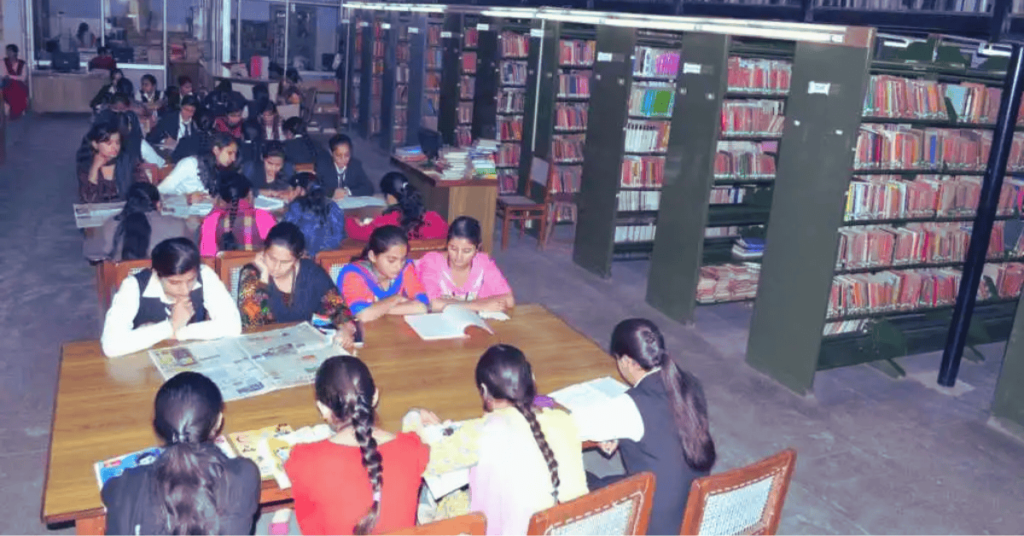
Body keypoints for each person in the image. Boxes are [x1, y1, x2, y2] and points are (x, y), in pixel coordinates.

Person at [413, 345, 589, 535]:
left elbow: (423, 460)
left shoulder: (483, 431)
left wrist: (413, 417)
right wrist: (538, 400)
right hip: (567, 527)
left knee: (438, 499)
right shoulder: (563, 420)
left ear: (484, 391)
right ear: (532, 378)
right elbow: (549, 402)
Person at [572, 319, 716, 536]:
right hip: (690, 506)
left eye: (618, 359)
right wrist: (618, 433)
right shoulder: (690, 384)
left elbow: (572, 427)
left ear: (629, 361)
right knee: (606, 481)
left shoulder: (630, 405)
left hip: (653, 522)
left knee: (575, 480)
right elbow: (666, 427)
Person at [101, 371, 260, 534]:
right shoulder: (244, 474)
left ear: (156, 426)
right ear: (219, 422)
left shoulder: (129, 485)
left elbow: (108, 492)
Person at [285, 356, 429, 535]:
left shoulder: (304, 459)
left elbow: (308, 524)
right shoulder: (411, 448)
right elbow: (422, 444)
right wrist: (414, 415)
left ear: (323, 408)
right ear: (375, 396)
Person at [101, 238, 242, 357]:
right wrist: (170, 326)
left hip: (192, 357)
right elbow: (110, 345)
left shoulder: (205, 274)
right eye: (175, 283)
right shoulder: (133, 286)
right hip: (144, 362)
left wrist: (176, 331)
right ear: (156, 274)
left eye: (190, 280)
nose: (185, 289)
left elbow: (233, 326)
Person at [237, 222, 356, 348]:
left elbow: (338, 309)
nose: (276, 267)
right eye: (271, 258)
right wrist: (263, 281)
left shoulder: (312, 273)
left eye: (285, 262)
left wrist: (345, 329)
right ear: (263, 251)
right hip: (263, 348)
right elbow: (252, 327)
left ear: (298, 258)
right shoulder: (251, 274)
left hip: (302, 346)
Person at [416, 216, 514, 313]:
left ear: (477, 248)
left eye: (466, 251)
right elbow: (433, 304)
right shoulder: (432, 262)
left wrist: (452, 304)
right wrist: (479, 305)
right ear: (447, 244)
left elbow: (509, 299)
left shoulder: (483, 263)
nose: (459, 257)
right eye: (453, 249)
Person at [338, 225, 429, 322]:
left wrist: (377, 309)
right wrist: (396, 299)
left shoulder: (406, 268)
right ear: (372, 256)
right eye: (391, 260)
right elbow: (362, 315)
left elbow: (422, 306)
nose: (399, 266)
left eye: (402, 259)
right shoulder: (354, 274)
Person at [84, 182, 189, 262]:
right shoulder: (177, 224)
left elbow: (91, 254)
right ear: (158, 204)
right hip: (163, 282)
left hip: (121, 281)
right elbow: (187, 254)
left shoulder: (111, 223)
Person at [346, 172, 448, 242]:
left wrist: (351, 220)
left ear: (390, 197)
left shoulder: (388, 221)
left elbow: (358, 232)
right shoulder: (433, 217)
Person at [198, 173, 276, 257]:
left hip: (224, 269)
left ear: (220, 199)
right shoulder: (263, 218)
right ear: (250, 194)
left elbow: (207, 258)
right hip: (258, 269)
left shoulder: (212, 220)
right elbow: (276, 252)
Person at [77, 120, 147, 203]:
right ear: (95, 145)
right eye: (109, 143)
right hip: (99, 212)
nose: (115, 147)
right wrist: (94, 169)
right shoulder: (86, 165)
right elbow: (88, 199)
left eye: (117, 143)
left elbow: (144, 190)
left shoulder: (129, 161)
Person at [283, 172, 346, 257]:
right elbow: (339, 234)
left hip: (304, 256)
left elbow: (286, 231)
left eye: (292, 190)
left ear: (299, 190)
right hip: (330, 257)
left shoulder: (297, 206)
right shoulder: (332, 205)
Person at [158, 132, 239, 197]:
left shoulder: (224, 170)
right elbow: (160, 191)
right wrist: (186, 198)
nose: (234, 158)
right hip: (183, 213)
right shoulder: (190, 164)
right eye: (230, 153)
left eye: (235, 154)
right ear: (216, 150)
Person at [316, 134, 374, 199]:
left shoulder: (355, 165)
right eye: (339, 156)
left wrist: (347, 192)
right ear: (331, 153)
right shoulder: (323, 165)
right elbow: (314, 187)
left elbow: (369, 188)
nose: (343, 159)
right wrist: (331, 193)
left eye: (347, 155)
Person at [2, 44, 29, 120]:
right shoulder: (3, 62)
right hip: (7, 84)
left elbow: (23, 77)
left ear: (15, 52)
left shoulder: (22, 63)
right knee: (12, 87)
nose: (8, 53)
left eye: (10, 51)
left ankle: (16, 111)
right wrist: (12, 78)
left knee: (18, 86)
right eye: (7, 51)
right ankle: (15, 111)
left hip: (19, 85)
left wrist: (11, 77)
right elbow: (3, 75)